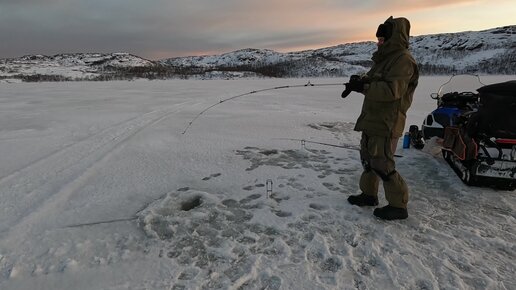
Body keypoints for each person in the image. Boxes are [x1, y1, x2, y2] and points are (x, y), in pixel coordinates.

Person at [343, 16, 419, 220]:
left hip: (387, 121)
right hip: (372, 118)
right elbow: (375, 80)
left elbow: (392, 90)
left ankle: (398, 206)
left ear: (393, 38)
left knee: (383, 164)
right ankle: (368, 195)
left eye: (382, 40)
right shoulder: (384, 59)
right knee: (368, 159)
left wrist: (365, 87)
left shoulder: (403, 60)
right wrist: (359, 82)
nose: (379, 43)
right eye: (378, 40)